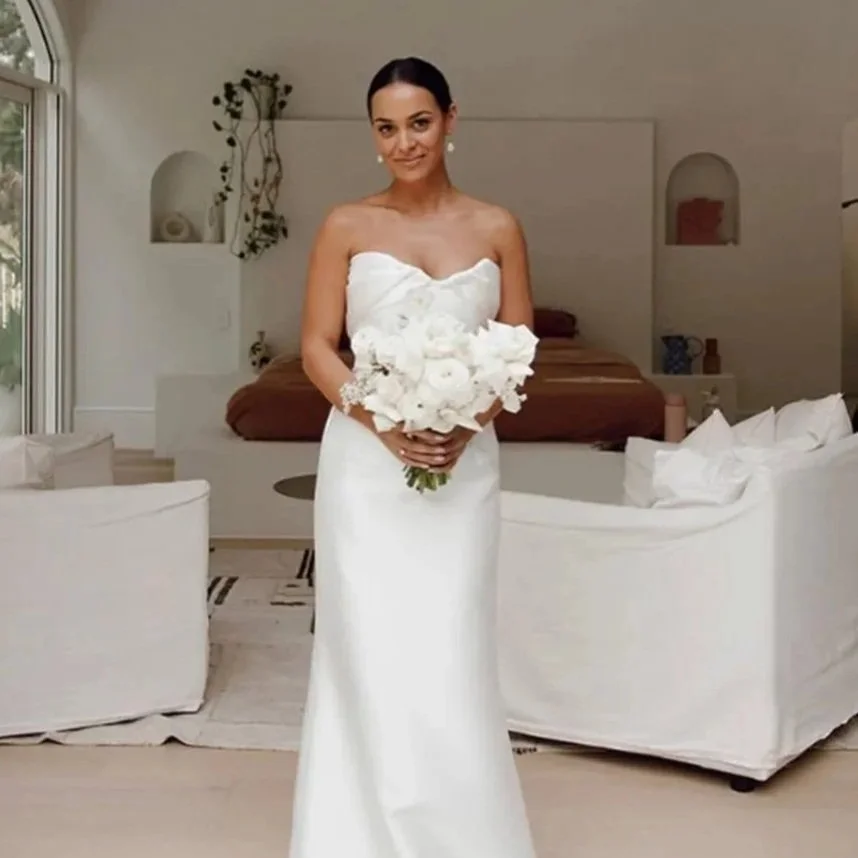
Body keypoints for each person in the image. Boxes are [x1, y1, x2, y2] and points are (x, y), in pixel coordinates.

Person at [291, 56, 538, 858]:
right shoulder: (346, 225)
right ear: (374, 136)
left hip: (465, 470)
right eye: (388, 128)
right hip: (366, 469)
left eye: (420, 123)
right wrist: (381, 418)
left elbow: (517, 349)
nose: (405, 142)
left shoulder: (498, 226)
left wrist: (467, 425)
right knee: (368, 645)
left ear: (451, 121)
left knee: (451, 645)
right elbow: (316, 349)